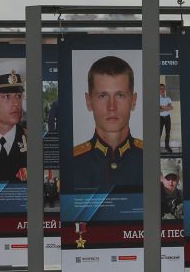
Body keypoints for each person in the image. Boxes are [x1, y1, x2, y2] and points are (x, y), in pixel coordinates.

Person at [72, 55, 143, 191]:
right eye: (103, 96)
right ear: (88, 101)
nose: (112, 107)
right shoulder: (73, 162)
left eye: (120, 95)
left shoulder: (150, 159)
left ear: (133, 101)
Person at [159, 83, 173, 153]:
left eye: (163, 88)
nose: (162, 90)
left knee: (168, 132)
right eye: (160, 88)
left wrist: (162, 107)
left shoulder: (168, 98)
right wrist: (167, 107)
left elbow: (171, 108)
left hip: (167, 117)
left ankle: (167, 147)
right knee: (159, 133)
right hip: (160, 118)